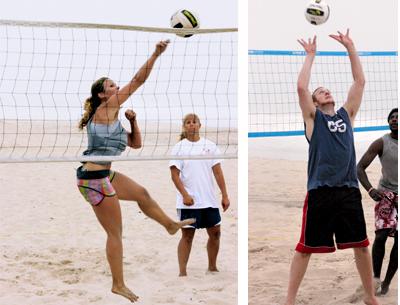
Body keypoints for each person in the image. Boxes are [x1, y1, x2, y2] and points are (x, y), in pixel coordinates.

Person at [76, 40, 194, 303]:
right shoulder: (104, 110)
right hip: (93, 179)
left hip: (104, 175)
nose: (118, 89)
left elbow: (136, 144)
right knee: (115, 233)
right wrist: (156, 54)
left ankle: (170, 225)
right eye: (112, 87)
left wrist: (133, 121)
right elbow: (138, 81)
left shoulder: (114, 118)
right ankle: (118, 284)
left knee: (142, 193)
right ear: (103, 95)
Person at [283, 29, 380, 305]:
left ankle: (370, 297)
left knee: (361, 247)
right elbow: (301, 87)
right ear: (314, 102)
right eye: (320, 91)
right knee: (304, 250)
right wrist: (310, 56)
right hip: (320, 191)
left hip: (348, 189)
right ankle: (289, 300)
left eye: (326, 89)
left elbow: (360, 81)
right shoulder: (313, 120)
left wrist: (351, 46)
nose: (325, 90)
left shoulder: (346, 115)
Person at [169, 113, 230, 276]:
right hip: (188, 201)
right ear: (184, 126)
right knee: (187, 236)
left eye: (194, 122)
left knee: (216, 233)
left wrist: (224, 195)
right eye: (188, 122)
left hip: (209, 200)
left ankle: (212, 267)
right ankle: (182, 272)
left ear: (199, 125)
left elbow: (218, 172)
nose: (191, 124)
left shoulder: (210, 145)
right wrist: (184, 195)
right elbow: (174, 175)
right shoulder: (179, 147)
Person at [357, 108, 398, 296]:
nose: (395, 119)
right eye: (392, 117)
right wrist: (371, 190)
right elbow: (360, 168)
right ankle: (375, 277)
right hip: (386, 195)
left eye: (398, 117)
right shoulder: (382, 142)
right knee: (380, 236)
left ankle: (388, 282)